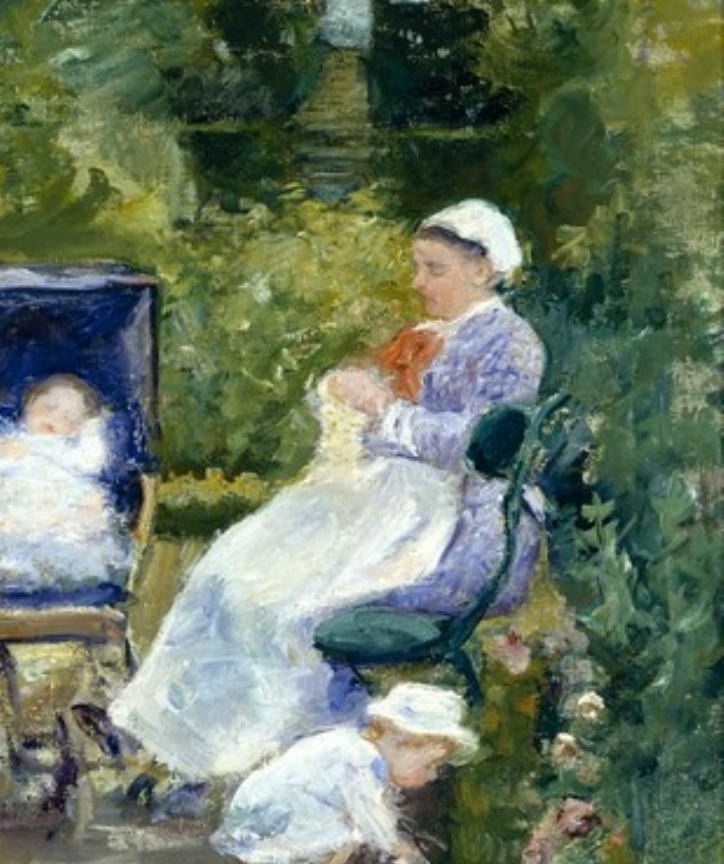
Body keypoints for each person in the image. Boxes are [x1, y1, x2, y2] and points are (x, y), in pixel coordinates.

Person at [77, 199, 545, 783]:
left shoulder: (510, 342)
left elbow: (482, 447)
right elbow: (394, 429)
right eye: (419, 268)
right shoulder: (431, 335)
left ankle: (267, 757)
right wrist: (356, 403)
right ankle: (158, 734)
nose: (418, 283)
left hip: (455, 529)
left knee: (280, 609)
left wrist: (385, 411)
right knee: (225, 573)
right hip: (388, 500)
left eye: (435, 269)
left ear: (484, 269)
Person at [210, 683, 478, 864]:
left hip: (256, 817)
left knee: (348, 828)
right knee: (352, 834)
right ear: (402, 742)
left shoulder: (350, 745)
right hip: (266, 829)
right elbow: (375, 825)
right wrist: (407, 857)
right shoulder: (360, 760)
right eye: (429, 765)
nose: (432, 776)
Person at [0, 374, 131, 599]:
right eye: (50, 406)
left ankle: (47, 569)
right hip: (9, 501)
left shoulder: (68, 451)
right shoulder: (6, 437)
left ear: (77, 428)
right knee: (6, 532)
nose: (54, 417)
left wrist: (94, 424)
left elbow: (93, 460)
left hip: (53, 505)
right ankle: (11, 569)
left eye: (68, 417)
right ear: (29, 405)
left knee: (74, 525)